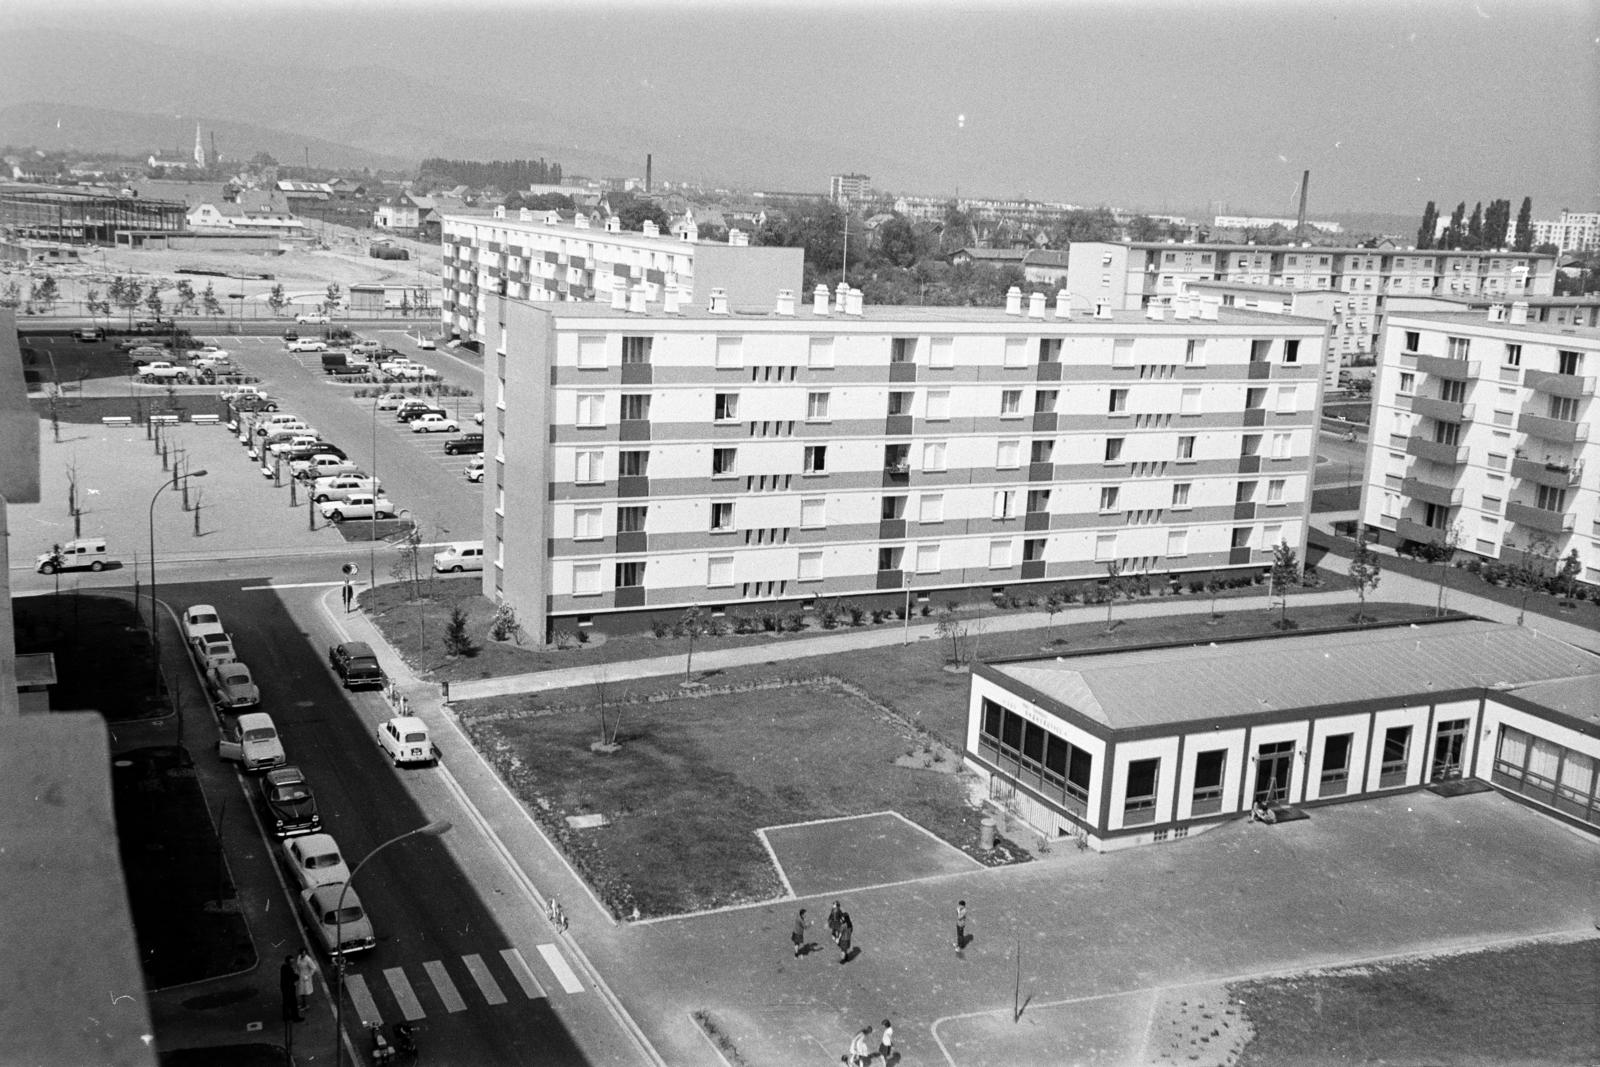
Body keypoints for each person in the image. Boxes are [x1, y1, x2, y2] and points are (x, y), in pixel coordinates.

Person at [279, 955, 301, 1023]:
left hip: (284, 988)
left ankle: (286, 1016)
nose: (293, 963)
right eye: (292, 962)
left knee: (286, 1003)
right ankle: (295, 1017)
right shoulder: (290, 969)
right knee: (293, 1003)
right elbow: (294, 977)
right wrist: (296, 974)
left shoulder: (283, 967)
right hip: (290, 989)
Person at [294, 949, 316, 1014]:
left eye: (304, 953)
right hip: (300, 976)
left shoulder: (308, 960)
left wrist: (308, 976)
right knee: (301, 991)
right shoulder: (299, 957)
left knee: (304, 992)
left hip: (305, 978)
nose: (303, 954)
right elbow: (298, 965)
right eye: (302, 953)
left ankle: (305, 1005)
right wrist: (296, 972)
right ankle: (303, 1004)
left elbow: (314, 968)